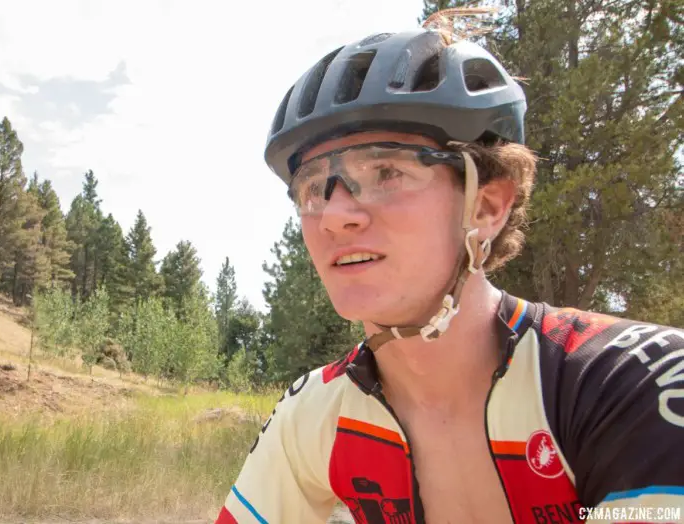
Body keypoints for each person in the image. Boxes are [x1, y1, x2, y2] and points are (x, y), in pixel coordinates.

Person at [215, 10, 684, 524]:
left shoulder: (630, 383)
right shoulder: (314, 416)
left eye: (387, 170)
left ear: (485, 207)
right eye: (311, 188)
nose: (334, 215)